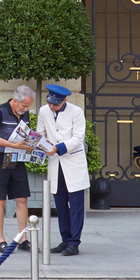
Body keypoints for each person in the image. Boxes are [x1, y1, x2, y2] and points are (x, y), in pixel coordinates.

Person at [36, 83, 89, 256]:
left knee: (76, 205)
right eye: (50, 102)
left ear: (64, 100)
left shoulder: (76, 112)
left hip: (72, 162)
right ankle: (65, 239)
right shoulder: (44, 111)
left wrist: (58, 147)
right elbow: (40, 132)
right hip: (55, 163)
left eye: (56, 104)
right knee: (60, 205)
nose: (52, 106)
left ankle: (74, 242)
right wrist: (40, 144)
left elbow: (78, 138)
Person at [0, 85, 37, 253]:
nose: (26, 109)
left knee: (22, 198)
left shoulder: (24, 113)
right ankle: (1, 240)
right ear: (15, 101)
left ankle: (23, 238)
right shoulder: (0, 111)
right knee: (0, 199)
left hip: (16, 158)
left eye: (28, 106)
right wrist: (12, 144)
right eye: (24, 106)